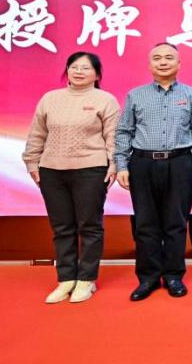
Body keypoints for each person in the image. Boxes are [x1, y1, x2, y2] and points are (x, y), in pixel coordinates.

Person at [22, 52, 120, 304]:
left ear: (97, 75)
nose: (78, 72)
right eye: (74, 67)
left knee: (89, 226)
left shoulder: (105, 100)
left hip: (91, 169)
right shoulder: (50, 98)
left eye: (85, 68)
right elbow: (37, 134)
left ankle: (86, 279)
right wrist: (31, 162)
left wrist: (114, 165)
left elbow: (113, 137)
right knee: (62, 227)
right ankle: (65, 279)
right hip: (52, 171)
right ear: (67, 71)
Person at [114, 42, 192, 301]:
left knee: (176, 222)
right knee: (145, 224)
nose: (163, 62)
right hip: (142, 163)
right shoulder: (135, 95)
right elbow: (124, 132)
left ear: (179, 64)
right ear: (150, 64)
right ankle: (148, 278)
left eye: (168, 58)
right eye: (157, 58)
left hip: (180, 162)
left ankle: (174, 276)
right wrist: (122, 165)